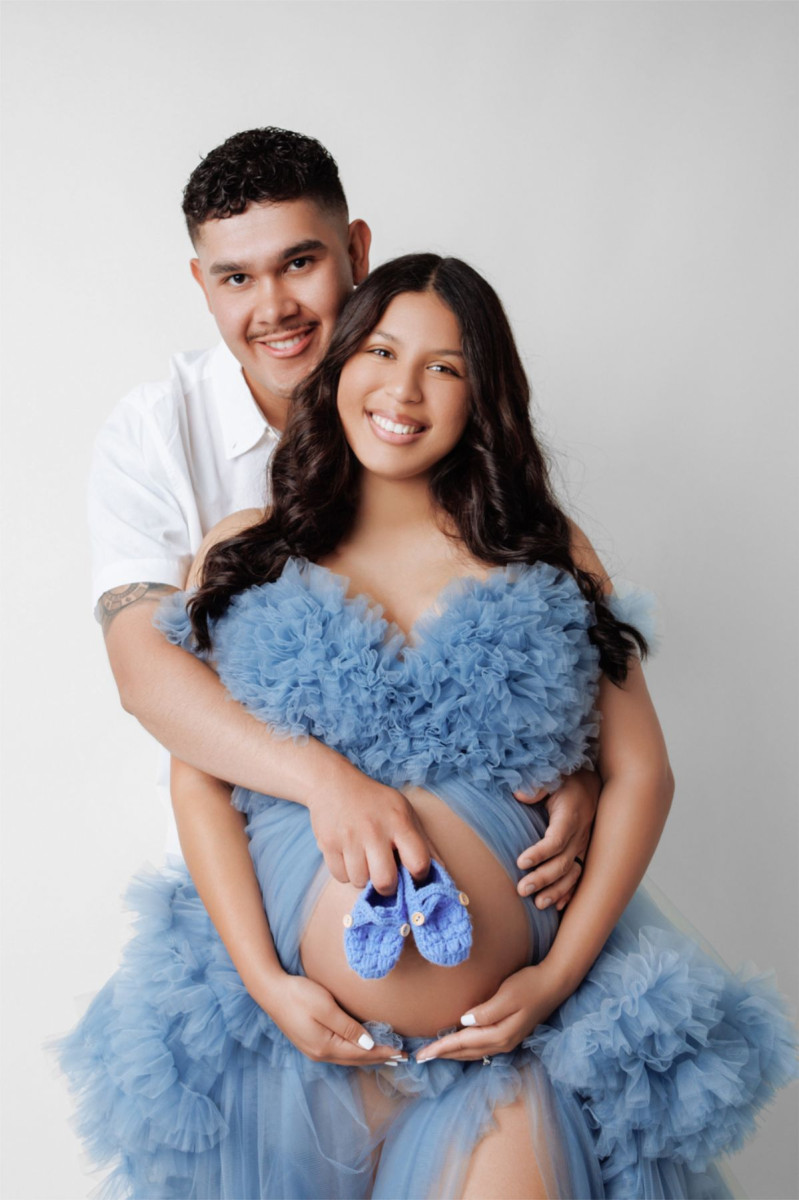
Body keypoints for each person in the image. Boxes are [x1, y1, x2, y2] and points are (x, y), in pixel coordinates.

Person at [57, 253, 796, 1199]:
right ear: (339, 364)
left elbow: (642, 773)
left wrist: (552, 981)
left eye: (443, 367)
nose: (402, 391)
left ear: (483, 395)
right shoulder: (247, 547)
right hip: (288, 1050)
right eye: (380, 351)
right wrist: (267, 983)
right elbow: (198, 775)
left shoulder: (544, 546)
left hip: (506, 1051)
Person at [92, 125, 598, 911]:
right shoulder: (153, 432)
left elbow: (540, 635)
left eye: (299, 262)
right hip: (250, 880)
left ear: (356, 250)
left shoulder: (432, 425)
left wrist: (577, 765)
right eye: (236, 278)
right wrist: (326, 783)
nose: (274, 309)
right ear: (201, 283)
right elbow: (146, 673)